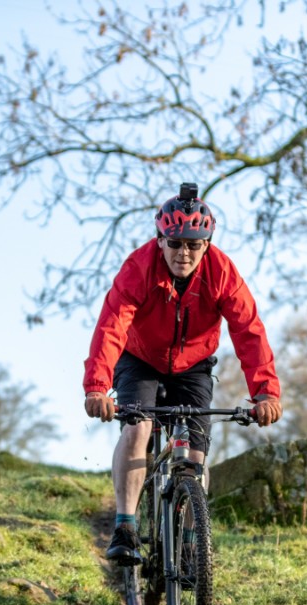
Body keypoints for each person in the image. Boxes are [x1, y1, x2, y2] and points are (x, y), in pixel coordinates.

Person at [83, 182, 283, 564]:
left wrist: (265, 393)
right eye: (175, 243)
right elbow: (112, 327)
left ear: (207, 244)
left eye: (194, 244)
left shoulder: (222, 273)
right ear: (160, 240)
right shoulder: (138, 269)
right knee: (138, 425)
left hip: (193, 365)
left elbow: (248, 331)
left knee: (194, 453)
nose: (184, 253)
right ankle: (125, 525)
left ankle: (191, 538)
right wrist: (97, 387)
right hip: (140, 358)